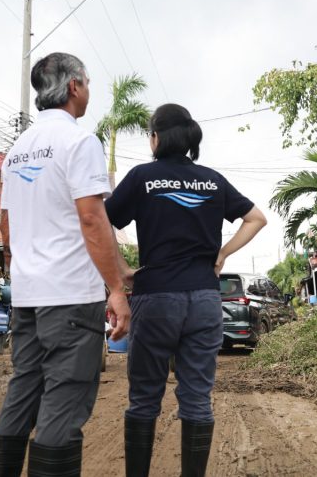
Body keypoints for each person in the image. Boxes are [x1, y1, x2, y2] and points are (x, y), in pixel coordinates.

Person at [104, 103, 267, 477]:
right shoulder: (212, 180)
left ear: (156, 137)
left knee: (144, 399)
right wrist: (222, 253)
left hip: (156, 296)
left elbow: (102, 222)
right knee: (197, 399)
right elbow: (256, 218)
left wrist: (122, 269)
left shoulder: (142, 177)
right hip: (206, 300)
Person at [0, 52, 132, 477]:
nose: (88, 91)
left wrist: (29, 271)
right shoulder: (79, 142)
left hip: (29, 298)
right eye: (87, 83)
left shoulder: (15, 152)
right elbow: (92, 218)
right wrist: (115, 288)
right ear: (73, 87)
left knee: (23, 391)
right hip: (71, 299)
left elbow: (6, 230)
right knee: (65, 401)